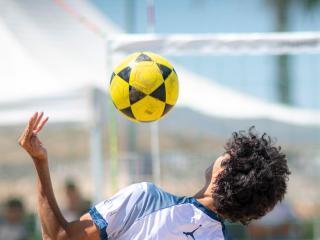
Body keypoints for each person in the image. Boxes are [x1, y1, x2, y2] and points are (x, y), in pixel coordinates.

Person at [18, 112, 290, 240]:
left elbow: (57, 237)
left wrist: (40, 162)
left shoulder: (146, 200)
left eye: (227, 155)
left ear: (222, 173)